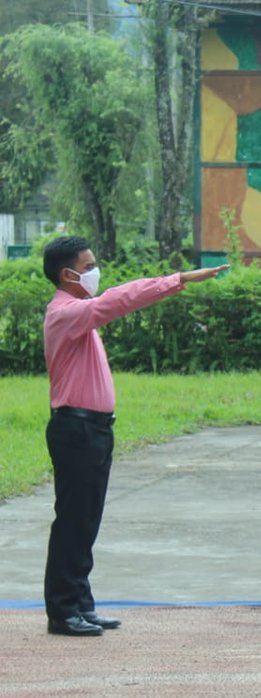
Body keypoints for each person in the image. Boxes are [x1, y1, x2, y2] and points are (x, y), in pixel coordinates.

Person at [41, 236, 228, 636]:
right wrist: (177, 279)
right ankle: (62, 610)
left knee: (86, 519)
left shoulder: (78, 314)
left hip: (91, 429)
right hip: (76, 429)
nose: (95, 271)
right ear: (67, 274)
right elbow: (118, 299)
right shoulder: (66, 313)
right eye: (88, 266)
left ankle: (79, 603)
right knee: (74, 520)